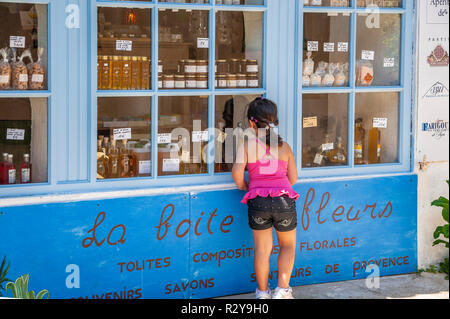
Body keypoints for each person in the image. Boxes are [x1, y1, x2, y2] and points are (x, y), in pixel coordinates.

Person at [232, 97, 299, 299]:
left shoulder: (246, 146)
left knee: (262, 249)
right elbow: (293, 178)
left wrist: (245, 185)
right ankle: (282, 289)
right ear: (274, 121)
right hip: (284, 201)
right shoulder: (285, 147)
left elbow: (236, 173)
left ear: (252, 123)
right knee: (287, 245)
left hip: (258, 201)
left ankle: (262, 293)